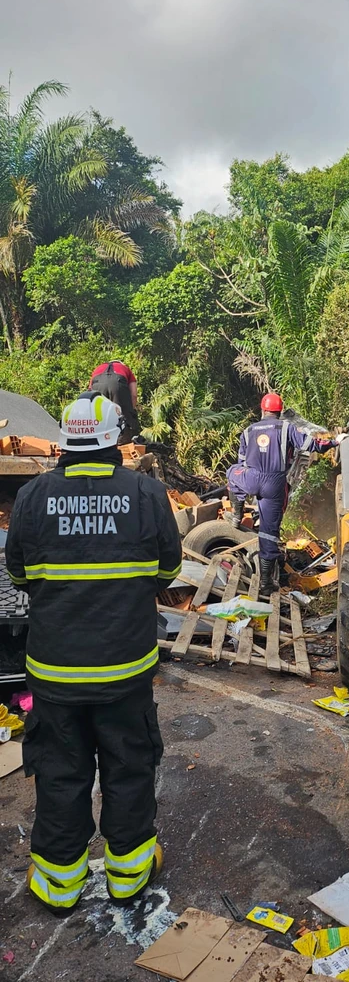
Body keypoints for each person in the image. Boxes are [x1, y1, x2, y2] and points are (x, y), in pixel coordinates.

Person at [6, 392, 182, 915]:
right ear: (115, 440)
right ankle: (128, 878)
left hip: (54, 675)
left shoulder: (33, 497)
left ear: (65, 440)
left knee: (61, 772)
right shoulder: (147, 494)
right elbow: (168, 573)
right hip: (125, 673)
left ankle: (60, 886)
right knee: (128, 768)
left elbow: (18, 575)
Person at [227, 393, 336, 595]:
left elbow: (242, 460)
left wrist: (248, 482)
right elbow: (311, 445)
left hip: (251, 478)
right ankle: (266, 584)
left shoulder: (248, 430)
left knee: (232, 472)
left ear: (263, 410)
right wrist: (334, 442)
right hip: (274, 484)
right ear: (279, 412)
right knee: (268, 532)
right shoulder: (287, 428)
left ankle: (237, 513)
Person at [89, 359, 140, 445]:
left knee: (99, 416)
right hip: (118, 382)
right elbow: (134, 395)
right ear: (120, 363)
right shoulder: (125, 368)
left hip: (97, 382)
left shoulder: (98, 368)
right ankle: (121, 443)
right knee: (122, 417)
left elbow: (90, 393)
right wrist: (130, 412)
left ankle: (99, 443)